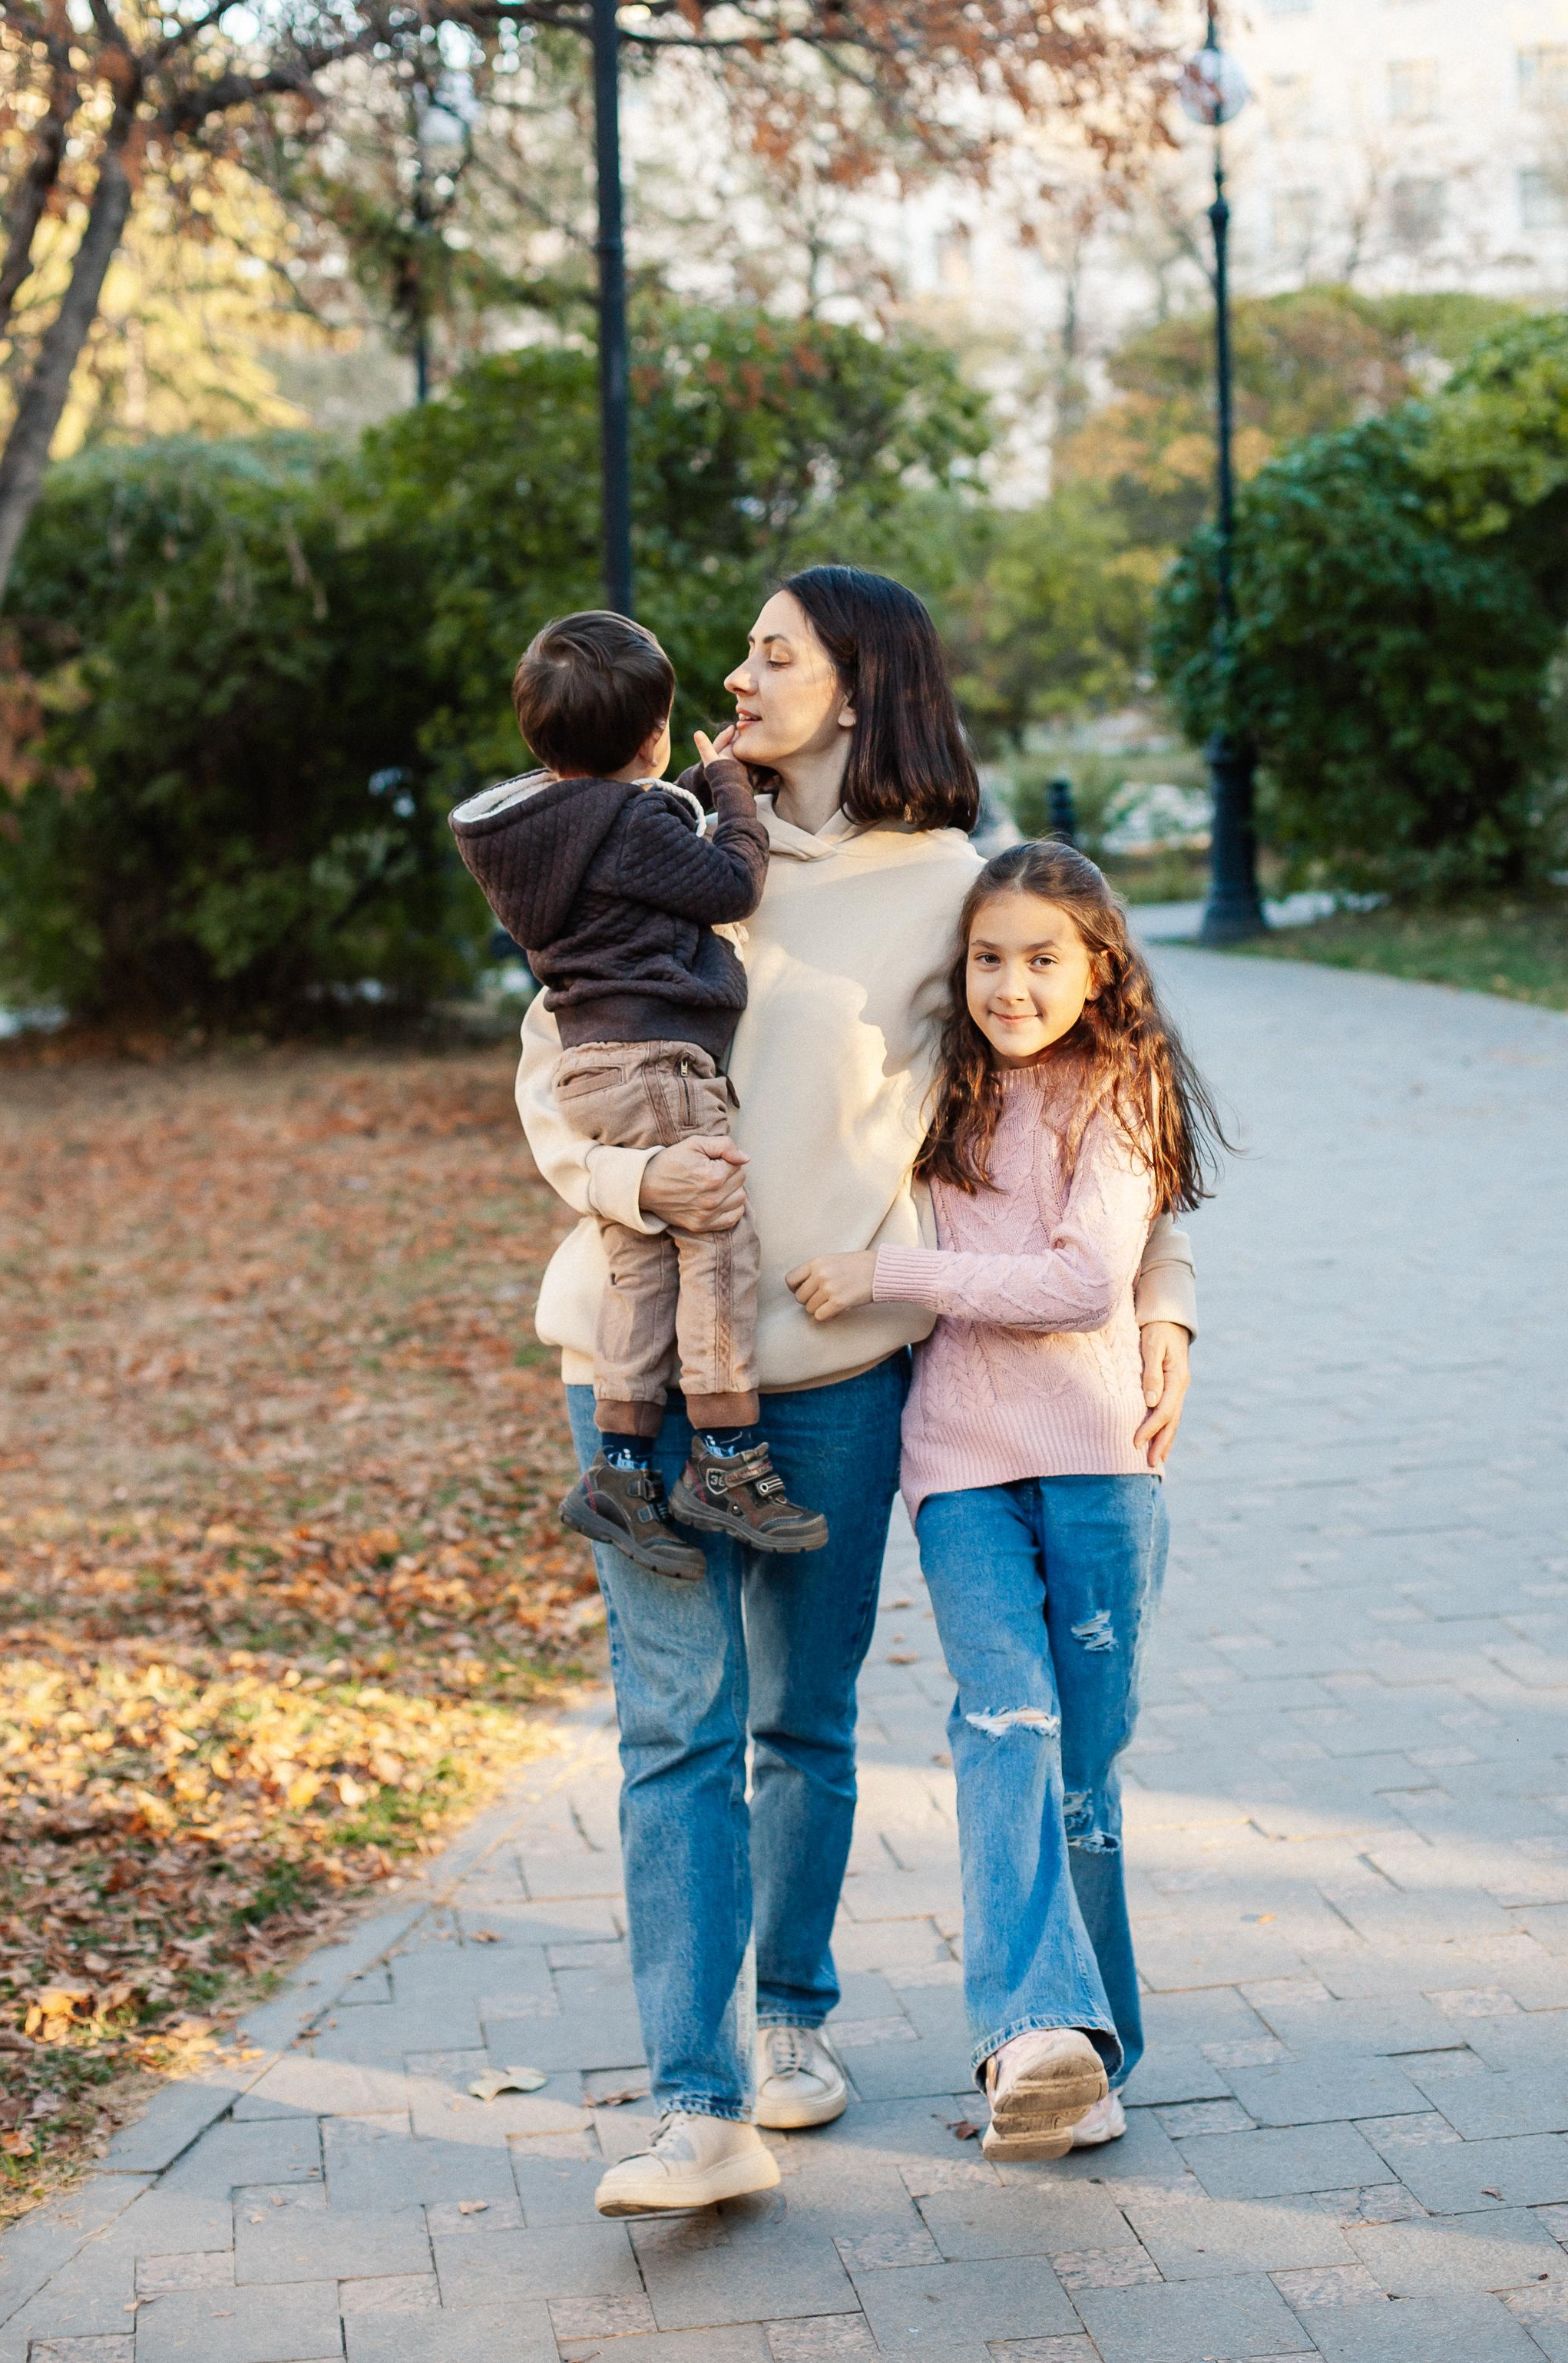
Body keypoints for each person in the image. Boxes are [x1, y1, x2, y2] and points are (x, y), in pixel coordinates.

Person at [512, 568, 1197, 2213]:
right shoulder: (653, 831)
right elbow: (551, 1057)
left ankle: (789, 2021)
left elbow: (1084, 1083)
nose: (735, 677)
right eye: (743, 654)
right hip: (630, 1362)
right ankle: (696, 2107)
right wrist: (621, 1184)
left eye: (773, 653)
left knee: (797, 1722)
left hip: (824, 1382)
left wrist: (1164, 1292)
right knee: (671, 1725)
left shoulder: (947, 885)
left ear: (859, 686)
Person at [789, 840, 1222, 2160]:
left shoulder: (1121, 1090)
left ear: (1099, 970)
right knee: (1004, 1721)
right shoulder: (937, 1085)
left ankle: (1093, 2056)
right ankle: (1026, 2038)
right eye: (988, 958)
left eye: (1042, 959)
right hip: (959, 1465)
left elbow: (1084, 1281)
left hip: (1100, 1462)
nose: (1011, 986)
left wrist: (891, 1274)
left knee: (1081, 1769)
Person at [452, 610, 825, 1567]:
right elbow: (729, 881)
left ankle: (619, 1470)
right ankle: (725, 1456)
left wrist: (690, 789)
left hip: (593, 1067)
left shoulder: (542, 830)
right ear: (654, 736)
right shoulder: (632, 827)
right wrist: (732, 790)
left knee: (644, 1263)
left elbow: (640, 834)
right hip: (659, 1060)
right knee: (719, 1240)